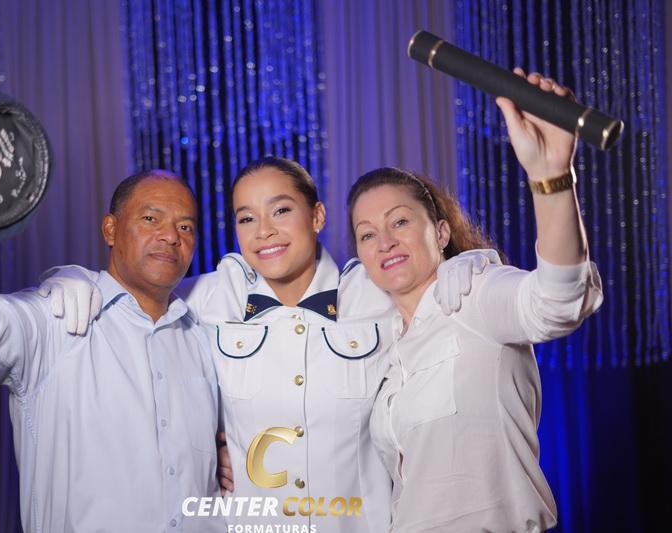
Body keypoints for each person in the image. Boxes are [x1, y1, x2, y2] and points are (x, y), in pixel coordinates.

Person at [42, 157, 499, 531]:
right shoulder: (212, 298)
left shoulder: (373, 294)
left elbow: (427, 294)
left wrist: (465, 264)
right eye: (247, 218)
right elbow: (141, 292)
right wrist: (75, 279)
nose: (264, 230)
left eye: (280, 210)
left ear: (316, 216)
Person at [0, 144, 223, 533]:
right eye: (151, 218)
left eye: (185, 227)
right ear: (110, 229)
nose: (171, 236)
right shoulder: (57, 319)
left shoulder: (201, 338)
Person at [348, 70, 603, 532]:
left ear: (441, 232)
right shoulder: (383, 348)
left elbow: (557, 301)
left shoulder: (474, 293)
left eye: (400, 221)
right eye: (367, 235)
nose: (384, 242)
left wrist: (551, 177)